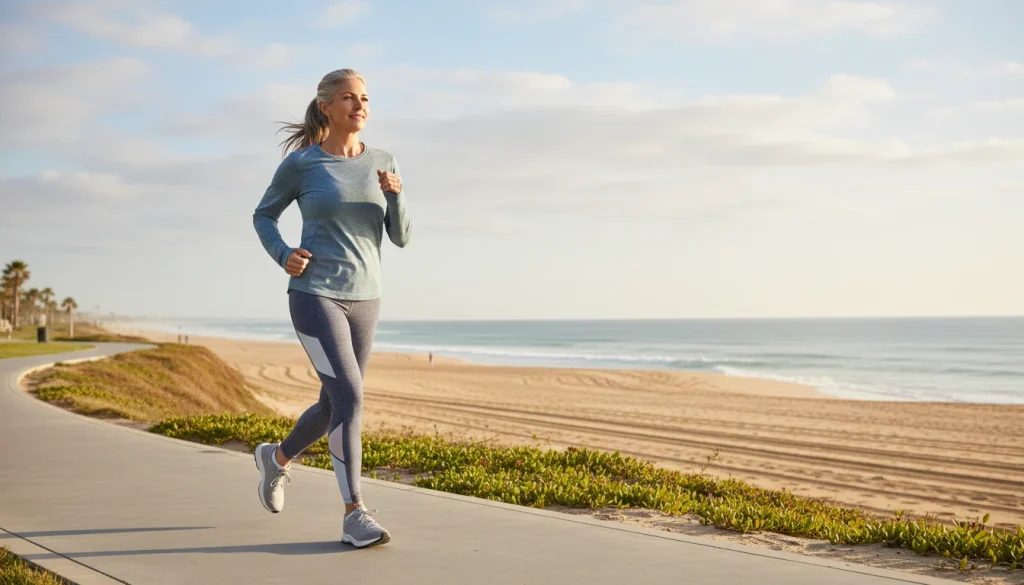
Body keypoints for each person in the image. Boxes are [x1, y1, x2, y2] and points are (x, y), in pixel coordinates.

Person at [251, 68, 411, 549]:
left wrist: (395, 196)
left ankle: (276, 459)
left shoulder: (383, 161)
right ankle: (353, 514)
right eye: (348, 98)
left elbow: (400, 236)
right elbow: (264, 215)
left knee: (334, 401)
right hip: (314, 294)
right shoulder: (303, 165)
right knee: (352, 399)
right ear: (327, 106)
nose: (359, 106)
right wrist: (284, 255)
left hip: (367, 297)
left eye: (365, 98)